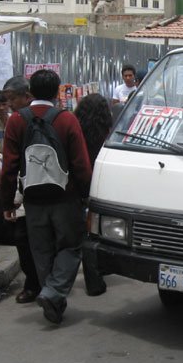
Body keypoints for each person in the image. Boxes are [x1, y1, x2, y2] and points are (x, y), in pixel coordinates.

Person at [0, 70, 92, 324]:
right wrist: (85, 195)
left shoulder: (16, 121)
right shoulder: (66, 120)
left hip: (33, 199)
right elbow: (81, 163)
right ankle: (53, 293)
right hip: (66, 197)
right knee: (70, 247)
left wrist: (7, 203)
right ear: (57, 91)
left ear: (30, 91)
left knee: (41, 250)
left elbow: (9, 166)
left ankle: (52, 300)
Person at [0, 76, 42, 303]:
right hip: (25, 192)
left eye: (12, 98)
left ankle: (43, 284)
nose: (9, 104)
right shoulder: (15, 120)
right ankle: (34, 284)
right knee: (23, 241)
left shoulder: (25, 120)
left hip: (41, 192)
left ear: (28, 96)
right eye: (5, 100)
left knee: (35, 240)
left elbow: (10, 166)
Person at [74, 94, 113, 296]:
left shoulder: (76, 128)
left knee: (85, 233)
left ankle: (93, 277)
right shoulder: (108, 133)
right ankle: (99, 272)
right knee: (98, 231)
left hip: (82, 184)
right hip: (102, 185)